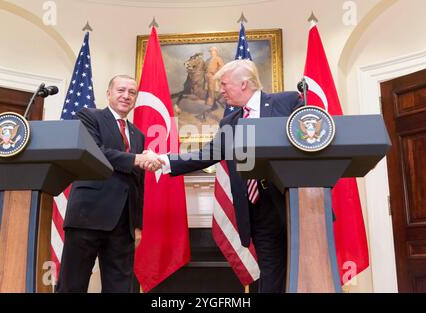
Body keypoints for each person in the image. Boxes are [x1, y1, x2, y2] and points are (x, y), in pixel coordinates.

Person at [153, 60, 302, 293]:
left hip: (294, 204)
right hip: (258, 210)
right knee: (270, 277)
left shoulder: (287, 102)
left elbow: (309, 137)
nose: (221, 91)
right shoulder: (230, 122)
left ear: (244, 84)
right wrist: (164, 160)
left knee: (304, 273)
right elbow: (208, 154)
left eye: (224, 84)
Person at [56, 75, 164, 293]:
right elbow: (95, 152)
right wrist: (136, 159)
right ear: (109, 93)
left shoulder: (138, 135)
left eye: (132, 92)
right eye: (121, 90)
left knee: (120, 288)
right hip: (87, 216)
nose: (126, 96)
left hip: (124, 224)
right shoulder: (88, 116)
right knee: (72, 285)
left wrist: (138, 225)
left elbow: (138, 183)